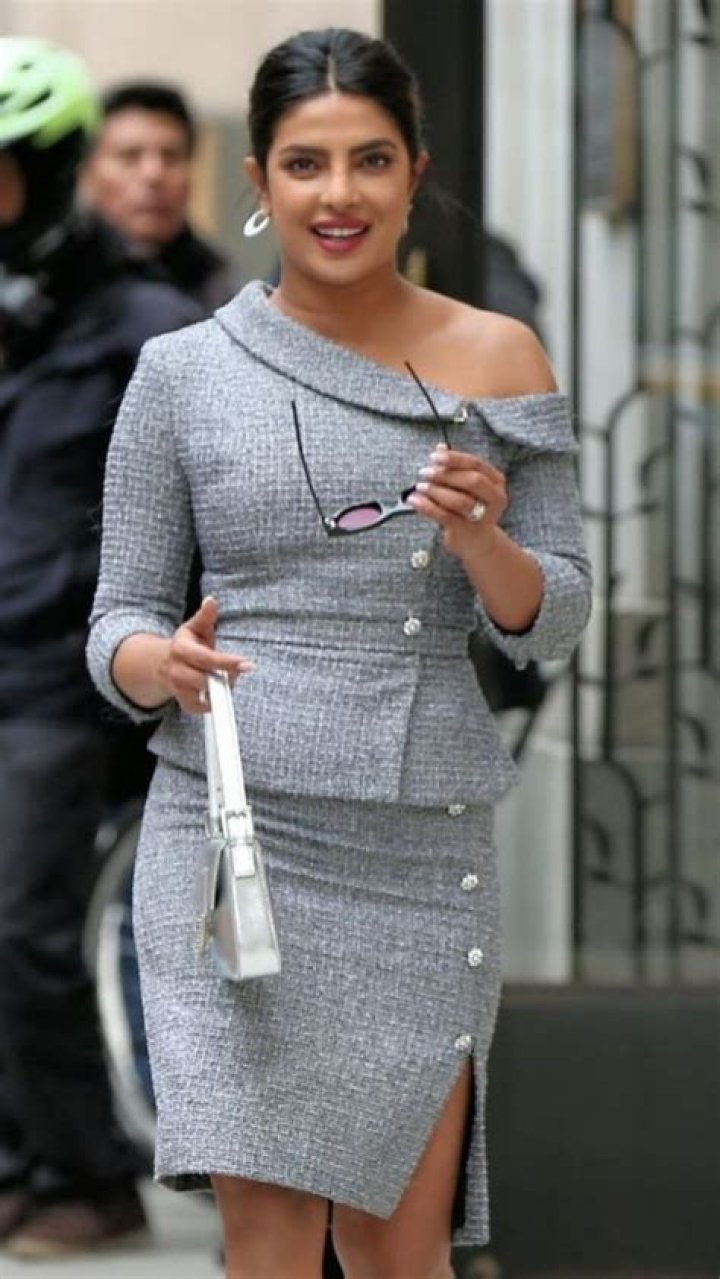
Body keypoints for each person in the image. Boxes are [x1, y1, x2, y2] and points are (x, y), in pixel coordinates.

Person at [87, 27, 592, 1279]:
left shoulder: (501, 359)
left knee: (396, 1251)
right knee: (267, 1249)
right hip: (233, 827)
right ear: (259, 180)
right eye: (306, 164)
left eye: (370, 159)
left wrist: (481, 541)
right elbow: (117, 619)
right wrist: (160, 664)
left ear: (416, 170)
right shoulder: (180, 374)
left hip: (416, 844)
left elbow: (557, 615)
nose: (339, 194)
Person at [0, 37, 199, 1258]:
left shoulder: (149, 325)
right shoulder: (12, 314)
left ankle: (92, 1172)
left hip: (64, 685)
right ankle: (27, 1157)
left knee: (25, 930)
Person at [82, 80, 242, 311]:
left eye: (171, 157)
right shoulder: (60, 276)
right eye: (130, 157)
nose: (154, 174)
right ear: (88, 171)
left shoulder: (218, 285)